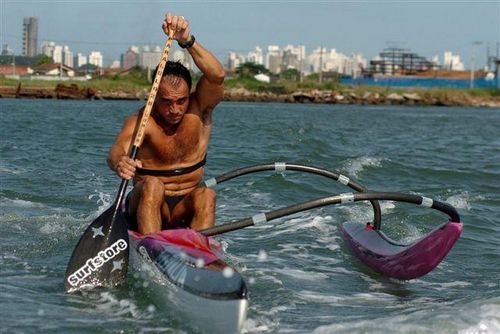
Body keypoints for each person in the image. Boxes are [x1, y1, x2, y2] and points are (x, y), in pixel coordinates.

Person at [107, 12, 225, 235]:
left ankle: (199, 254)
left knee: (207, 194)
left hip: (185, 207)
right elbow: (116, 149)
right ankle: (152, 249)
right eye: (167, 102)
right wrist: (120, 162)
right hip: (148, 203)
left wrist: (186, 41)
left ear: (189, 95)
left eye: (181, 101)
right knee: (153, 185)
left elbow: (217, 75)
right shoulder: (142, 121)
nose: (175, 110)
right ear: (154, 96)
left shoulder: (200, 107)